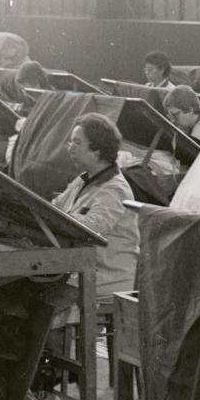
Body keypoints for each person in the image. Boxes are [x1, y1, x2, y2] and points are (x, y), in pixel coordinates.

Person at [52, 113, 140, 301]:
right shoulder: (84, 179)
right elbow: (54, 207)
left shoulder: (115, 189)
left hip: (106, 278)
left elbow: (91, 228)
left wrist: (54, 216)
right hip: (83, 271)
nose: (70, 148)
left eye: (76, 143)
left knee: (38, 297)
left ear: (97, 150)